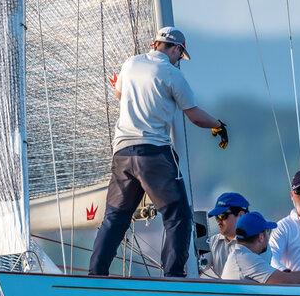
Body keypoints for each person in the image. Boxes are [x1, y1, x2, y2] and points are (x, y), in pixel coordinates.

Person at [88, 26, 227, 277]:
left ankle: (96, 274)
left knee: (115, 218)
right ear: (176, 49)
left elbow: (120, 93)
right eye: (180, 55)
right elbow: (195, 116)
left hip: (122, 154)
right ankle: (173, 277)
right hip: (153, 154)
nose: (179, 60)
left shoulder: (130, 64)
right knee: (178, 217)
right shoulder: (172, 74)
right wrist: (218, 125)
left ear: (155, 44)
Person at [221, 212, 300, 284]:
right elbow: (288, 281)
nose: (268, 235)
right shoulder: (246, 258)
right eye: (267, 231)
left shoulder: (240, 254)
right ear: (261, 237)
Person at [202, 191, 249, 277]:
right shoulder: (213, 242)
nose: (218, 220)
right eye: (216, 216)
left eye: (222, 216)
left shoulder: (256, 243)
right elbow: (196, 271)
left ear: (241, 215)